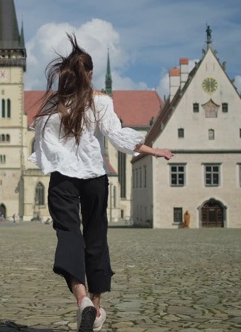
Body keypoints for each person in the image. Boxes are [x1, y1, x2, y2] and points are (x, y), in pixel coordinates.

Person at [28, 34, 173, 332]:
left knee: (69, 236)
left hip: (63, 179)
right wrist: (154, 150)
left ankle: (82, 299)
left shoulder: (53, 108)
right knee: (96, 238)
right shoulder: (102, 102)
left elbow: (42, 146)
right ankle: (96, 306)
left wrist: (54, 161)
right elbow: (118, 137)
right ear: (90, 74)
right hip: (95, 177)